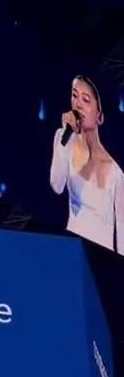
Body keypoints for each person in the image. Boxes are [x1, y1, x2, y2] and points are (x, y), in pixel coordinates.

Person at [50, 75, 124, 254]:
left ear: (100, 116)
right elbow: (57, 185)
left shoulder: (116, 175)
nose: (78, 104)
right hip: (70, 250)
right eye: (74, 96)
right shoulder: (63, 138)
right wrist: (66, 137)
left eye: (86, 99)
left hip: (101, 259)